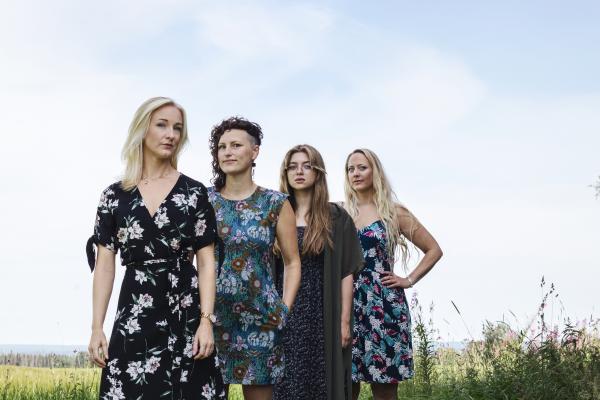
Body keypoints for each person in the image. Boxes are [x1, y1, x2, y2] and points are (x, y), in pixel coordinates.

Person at [86, 97, 225, 399]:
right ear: (142, 130)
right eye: (162, 125)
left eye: (177, 128)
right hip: (135, 312)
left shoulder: (194, 193)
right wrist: (97, 327)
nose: (171, 135)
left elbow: (206, 262)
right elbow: (105, 265)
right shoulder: (114, 196)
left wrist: (206, 322)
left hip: (185, 310)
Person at [207, 117, 301, 400]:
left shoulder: (275, 202)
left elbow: (292, 262)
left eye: (236, 145)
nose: (227, 152)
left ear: (255, 151)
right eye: (222, 147)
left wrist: (283, 309)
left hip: (261, 318)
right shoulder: (204, 201)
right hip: (211, 318)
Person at [345, 149, 443, 400]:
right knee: (344, 386)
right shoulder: (341, 213)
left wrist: (408, 280)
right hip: (347, 304)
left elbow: (434, 250)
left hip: (384, 304)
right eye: (350, 169)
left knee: (385, 389)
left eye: (362, 167)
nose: (355, 173)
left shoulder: (394, 212)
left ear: (375, 171)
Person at [273, 145, 364, 400]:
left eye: (307, 166)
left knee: (321, 380)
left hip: (323, 311)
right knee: (286, 380)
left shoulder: (337, 217)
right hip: (285, 308)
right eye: (292, 167)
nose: (299, 171)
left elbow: (347, 272)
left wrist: (344, 322)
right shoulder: (275, 213)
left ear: (318, 172)